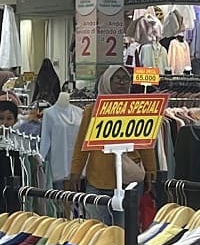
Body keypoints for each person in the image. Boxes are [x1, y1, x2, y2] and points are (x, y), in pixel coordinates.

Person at [67, 65, 157, 224]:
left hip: (129, 181)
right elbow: (81, 145)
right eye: (117, 78)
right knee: (97, 230)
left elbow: (145, 144)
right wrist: (75, 172)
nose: (122, 82)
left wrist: (151, 170)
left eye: (126, 79)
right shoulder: (92, 111)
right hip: (98, 180)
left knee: (125, 233)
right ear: (107, 81)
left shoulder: (137, 109)